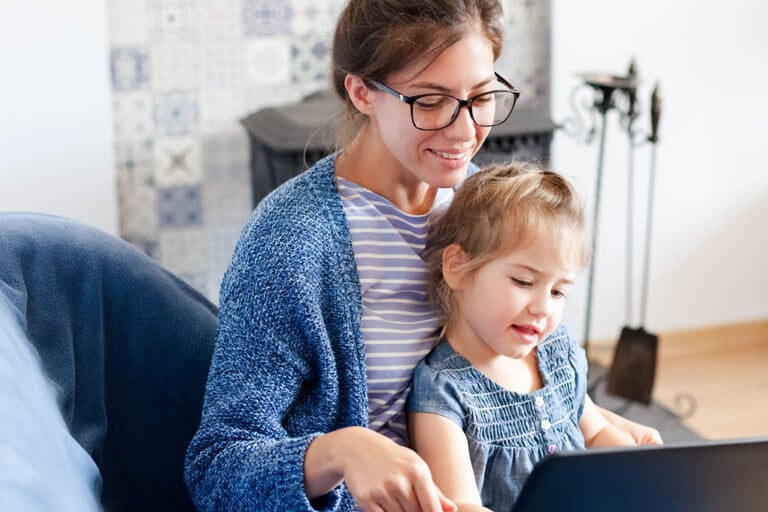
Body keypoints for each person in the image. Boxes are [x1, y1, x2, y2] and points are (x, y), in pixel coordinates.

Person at [184, 1, 660, 511]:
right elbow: (218, 469)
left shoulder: (490, 203)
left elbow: (537, 360)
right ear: (362, 91)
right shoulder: (293, 242)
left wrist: (596, 429)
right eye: (431, 101)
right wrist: (340, 451)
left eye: (480, 97)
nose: (465, 132)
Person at [408, 163, 657, 511]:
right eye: (523, 282)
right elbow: (461, 504)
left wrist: (639, 472)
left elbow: (596, 432)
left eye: (558, 292)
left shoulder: (557, 354)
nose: (543, 307)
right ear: (457, 268)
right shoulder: (443, 391)